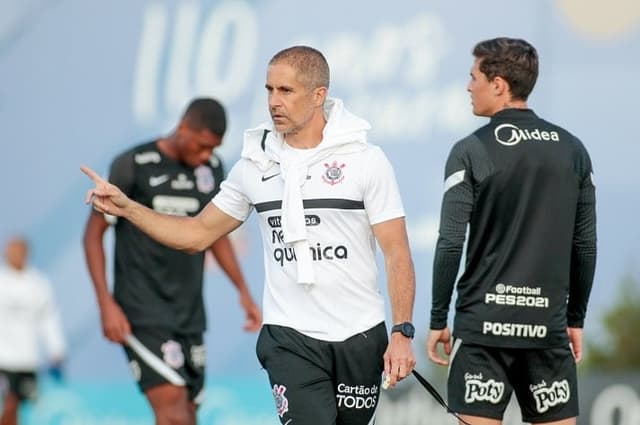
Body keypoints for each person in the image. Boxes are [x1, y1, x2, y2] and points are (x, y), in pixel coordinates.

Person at [81, 45, 416, 425]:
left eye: (286, 91)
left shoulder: (366, 160)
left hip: (360, 334)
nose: (274, 101)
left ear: (319, 95)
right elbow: (196, 234)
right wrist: (127, 207)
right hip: (291, 337)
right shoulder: (252, 166)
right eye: (269, 90)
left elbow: (397, 253)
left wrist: (402, 331)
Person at [427, 37, 597, 425]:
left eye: (473, 78)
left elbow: (451, 241)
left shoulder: (470, 149)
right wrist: (576, 318)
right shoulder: (573, 150)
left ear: (498, 84)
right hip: (547, 332)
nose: (469, 87)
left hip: (483, 332)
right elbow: (585, 244)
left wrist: (439, 318)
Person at [82, 98, 262, 425]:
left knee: (189, 413)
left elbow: (214, 234)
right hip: (142, 309)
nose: (207, 155)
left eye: (214, 148)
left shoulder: (211, 169)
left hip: (189, 312)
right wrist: (106, 303)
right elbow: (92, 236)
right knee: (174, 414)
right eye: (202, 145)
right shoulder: (133, 164)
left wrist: (243, 291)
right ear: (182, 128)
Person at [0, 236, 66, 425]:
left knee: (19, 405)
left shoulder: (38, 283)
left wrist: (57, 349)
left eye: (19, 251)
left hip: (28, 359)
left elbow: (49, 319)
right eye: (11, 250)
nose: (14, 255)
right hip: (2, 359)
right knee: (9, 403)